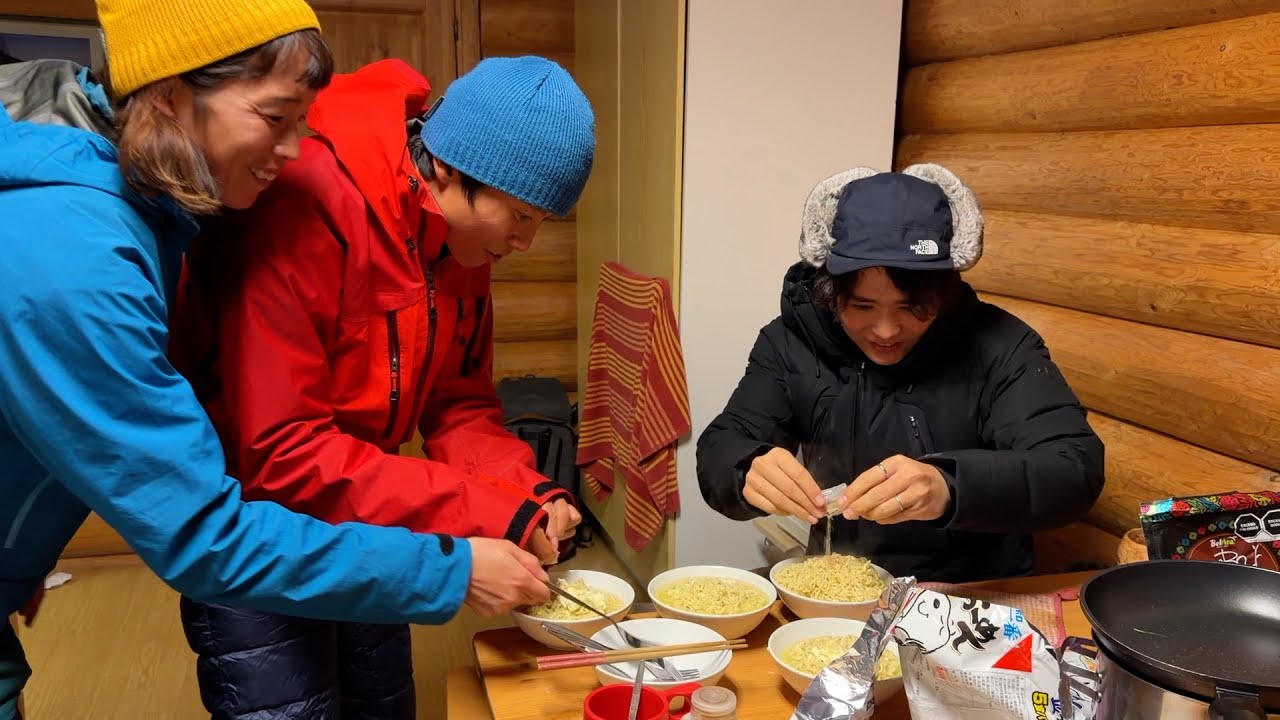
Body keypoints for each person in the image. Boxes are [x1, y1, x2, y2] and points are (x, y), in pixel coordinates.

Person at [0, 1, 549, 716]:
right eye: (275, 115)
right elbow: (208, 531)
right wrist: (452, 568)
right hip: (262, 528)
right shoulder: (77, 256)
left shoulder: (143, 201)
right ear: (169, 97)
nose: (293, 152)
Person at [167, 56, 594, 717]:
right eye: (520, 216)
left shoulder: (460, 236)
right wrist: (482, 513)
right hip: (255, 526)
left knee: (383, 704)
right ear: (448, 168)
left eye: (542, 222)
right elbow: (282, 452)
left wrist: (525, 492)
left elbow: (459, 404)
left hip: (375, 511)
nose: (527, 243)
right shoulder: (302, 205)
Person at [696, 164, 1105, 582]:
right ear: (830, 294)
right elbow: (721, 445)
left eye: (913, 308)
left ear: (944, 294)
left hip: (973, 593)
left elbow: (1074, 469)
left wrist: (952, 486)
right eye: (863, 307)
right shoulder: (791, 342)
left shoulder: (1001, 345)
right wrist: (745, 467)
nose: (887, 331)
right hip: (838, 586)